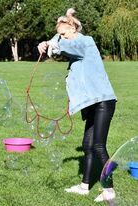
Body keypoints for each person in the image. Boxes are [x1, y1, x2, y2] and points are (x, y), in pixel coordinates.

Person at [38, 8, 117, 202]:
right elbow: (62, 41)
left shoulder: (85, 42)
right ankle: (84, 186)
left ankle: (109, 190)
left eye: (63, 33)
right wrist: (62, 25)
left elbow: (63, 47)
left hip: (103, 101)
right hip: (92, 103)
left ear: (73, 29)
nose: (61, 37)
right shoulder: (72, 41)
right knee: (87, 145)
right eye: (60, 35)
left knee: (98, 145)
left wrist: (50, 42)